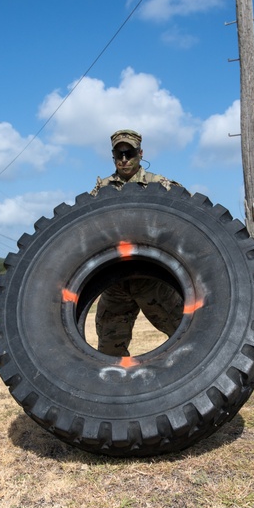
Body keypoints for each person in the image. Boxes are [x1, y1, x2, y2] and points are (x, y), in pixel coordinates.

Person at [91, 129, 184, 356]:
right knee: (108, 349)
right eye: (119, 154)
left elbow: (189, 220)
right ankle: (115, 387)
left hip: (152, 279)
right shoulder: (102, 190)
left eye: (129, 153)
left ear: (140, 153)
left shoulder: (160, 186)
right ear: (113, 156)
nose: (124, 159)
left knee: (188, 334)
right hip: (116, 282)